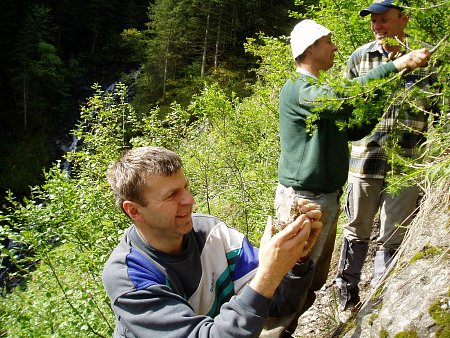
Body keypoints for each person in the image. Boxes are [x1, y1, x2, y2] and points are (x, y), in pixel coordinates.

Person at [263, 19, 431, 337]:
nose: (335, 47)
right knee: (289, 283)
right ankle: (270, 333)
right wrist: (394, 65)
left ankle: (282, 333)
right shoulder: (300, 89)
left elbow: (354, 126)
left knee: (309, 282)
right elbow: (344, 99)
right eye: (329, 42)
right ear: (311, 48)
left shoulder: (319, 92)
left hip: (320, 199)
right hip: (303, 201)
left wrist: (390, 84)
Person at [102, 145, 324, 337]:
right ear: (135, 211)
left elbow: (280, 302)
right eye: (172, 195)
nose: (189, 200)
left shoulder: (212, 233)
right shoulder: (130, 277)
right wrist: (268, 275)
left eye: (186, 187)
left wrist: (297, 258)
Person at [335, 0, 438, 311]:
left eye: (384, 20)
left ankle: (382, 298)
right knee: (356, 230)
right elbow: (343, 106)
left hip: (407, 162)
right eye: (373, 21)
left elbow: (439, 107)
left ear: (403, 20)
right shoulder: (360, 58)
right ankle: (347, 293)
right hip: (365, 160)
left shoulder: (426, 58)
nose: (377, 26)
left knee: (394, 235)